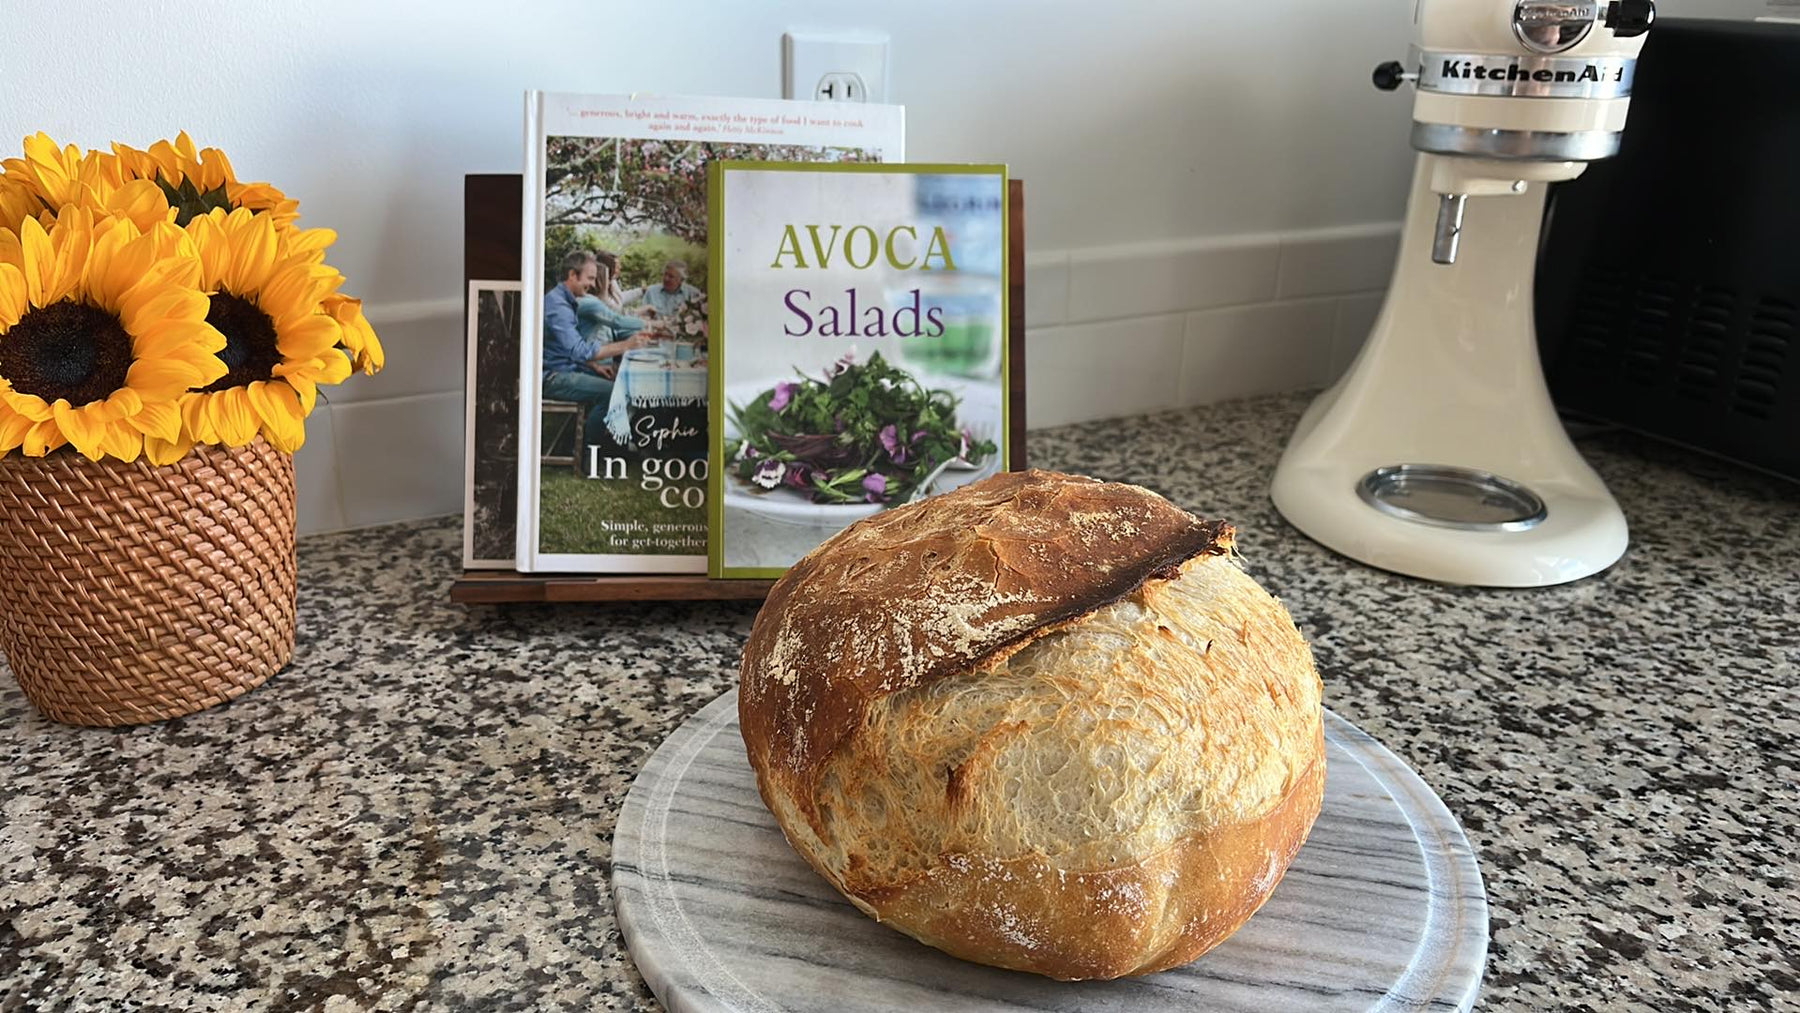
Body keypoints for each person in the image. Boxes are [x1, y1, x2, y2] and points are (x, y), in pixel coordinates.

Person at [542, 250, 652, 448]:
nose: (593, 284)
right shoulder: (558, 305)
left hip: (566, 366)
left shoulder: (565, 299)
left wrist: (595, 366)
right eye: (590, 278)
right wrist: (626, 345)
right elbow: (579, 350)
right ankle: (591, 450)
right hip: (551, 376)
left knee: (620, 381)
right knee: (612, 392)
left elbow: (569, 347)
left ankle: (617, 439)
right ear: (572, 275)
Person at [621, 258, 701, 319]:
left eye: (671, 276)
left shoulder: (693, 294)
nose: (666, 278)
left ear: (681, 280)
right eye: (665, 274)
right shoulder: (652, 291)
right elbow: (644, 317)